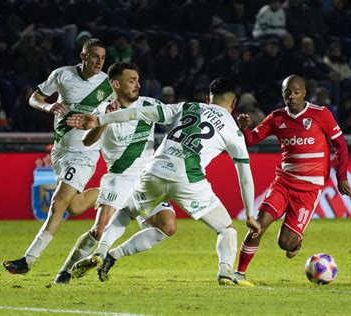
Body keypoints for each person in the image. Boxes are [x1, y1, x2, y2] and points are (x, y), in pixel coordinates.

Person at [66, 78, 261, 285]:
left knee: (127, 212)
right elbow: (245, 176)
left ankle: (103, 251)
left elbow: (138, 112)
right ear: (234, 103)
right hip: (189, 180)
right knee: (226, 229)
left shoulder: (187, 106)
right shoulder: (233, 129)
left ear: (207, 98)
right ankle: (225, 273)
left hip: (154, 171)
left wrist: (100, 120)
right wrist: (250, 214)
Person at [53, 62, 176, 284]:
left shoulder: (150, 105)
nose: (137, 85)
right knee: (100, 231)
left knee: (167, 226)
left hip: (148, 180)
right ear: (116, 84)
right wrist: (104, 122)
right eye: (131, 81)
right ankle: (65, 270)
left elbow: (175, 120)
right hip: (118, 178)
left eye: (138, 80)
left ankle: (110, 256)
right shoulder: (102, 110)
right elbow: (88, 141)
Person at [2, 38, 113, 275]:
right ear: (83, 56)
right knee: (74, 207)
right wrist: (47, 107)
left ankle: (28, 260)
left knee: (58, 203)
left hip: (85, 153)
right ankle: (112, 192)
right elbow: (34, 98)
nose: (99, 62)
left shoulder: (107, 84)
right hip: (61, 150)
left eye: (103, 58)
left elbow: (117, 113)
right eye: (94, 56)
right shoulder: (62, 75)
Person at [234, 74, 351, 285]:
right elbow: (252, 140)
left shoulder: (320, 114)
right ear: (283, 94)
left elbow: (340, 144)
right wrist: (243, 128)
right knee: (258, 226)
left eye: (296, 92)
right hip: (283, 183)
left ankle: (295, 244)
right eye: (288, 92)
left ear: (305, 93)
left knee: (286, 243)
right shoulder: (276, 118)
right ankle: (239, 273)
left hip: (309, 190)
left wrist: (341, 176)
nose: (292, 96)